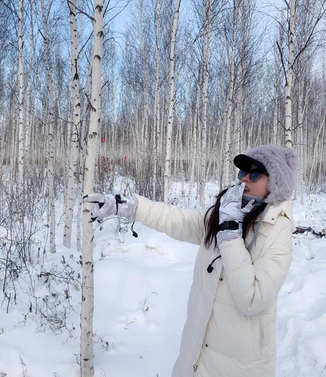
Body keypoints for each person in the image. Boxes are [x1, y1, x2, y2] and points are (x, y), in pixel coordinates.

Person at [84, 144, 298, 377]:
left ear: (275, 182)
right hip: (197, 354)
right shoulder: (228, 211)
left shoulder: (277, 230)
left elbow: (252, 299)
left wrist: (229, 234)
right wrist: (130, 207)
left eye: (255, 173)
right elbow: (179, 220)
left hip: (239, 365)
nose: (245, 178)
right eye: (243, 171)